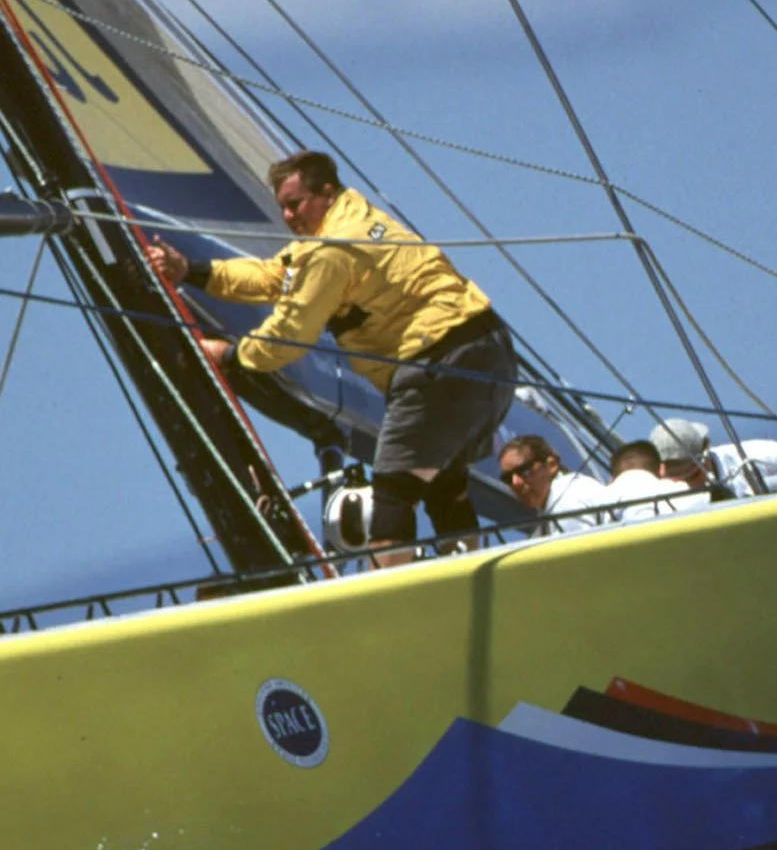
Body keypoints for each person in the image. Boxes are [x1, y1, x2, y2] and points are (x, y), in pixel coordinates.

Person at [143, 149, 517, 561]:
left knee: (393, 492)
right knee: (445, 481)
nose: (288, 216)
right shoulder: (355, 216)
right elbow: (273, 276)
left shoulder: (331, 251)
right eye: (282, 207)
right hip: (491, 351)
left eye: (295, 204)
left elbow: (290, 334)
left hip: (438, 363)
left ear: (326, 192)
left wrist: (231, 355)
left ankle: (396, 586)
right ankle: (466, 571)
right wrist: (192, 271)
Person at [497, 434, 615, 532]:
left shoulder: (567, 498)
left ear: (551, 465)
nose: (515, 483)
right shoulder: (550, 509)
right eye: (507, 479)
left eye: (524, 471)